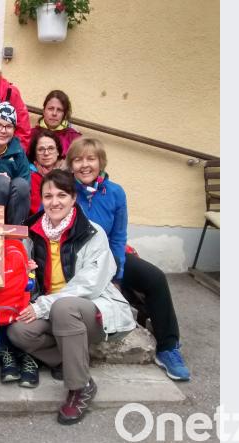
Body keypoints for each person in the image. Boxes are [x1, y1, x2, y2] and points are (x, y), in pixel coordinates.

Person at [7, 169, 137, 425]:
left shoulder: (92, 232)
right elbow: (23, 281)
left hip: (89, 308)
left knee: (64, 307)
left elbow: (89, 284)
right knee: (18, 331)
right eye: (48, 196)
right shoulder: (31, 232)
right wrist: (27, 274)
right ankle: (70, 357)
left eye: (62, 195)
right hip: (52, 309)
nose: (54, 202)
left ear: (73, 197)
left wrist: (43, 303)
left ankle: (80, 386)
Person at [66, 137, 191, 381]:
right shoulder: (65, 191)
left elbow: (119, 236)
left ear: (101, 162)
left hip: (110, 257)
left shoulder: (115, 192)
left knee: (155, 278)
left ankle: (167, 347)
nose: (84, 165)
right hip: (77, 261)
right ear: (70, 165)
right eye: (78, 159)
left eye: (91, 158)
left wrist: (117, 274)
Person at [30, 89, 82, 157]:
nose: (54, 113)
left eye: (59, 110)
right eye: (51, 108)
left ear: (64, 114)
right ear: (44, 111)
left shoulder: (74, 138)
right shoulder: (30, 134)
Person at [28, 128, 66, 215]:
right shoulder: (29, 176)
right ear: (35, 154)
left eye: (51, 148)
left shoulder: (67, 175)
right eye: (41, 149)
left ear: (57, 152)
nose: (46, 153)